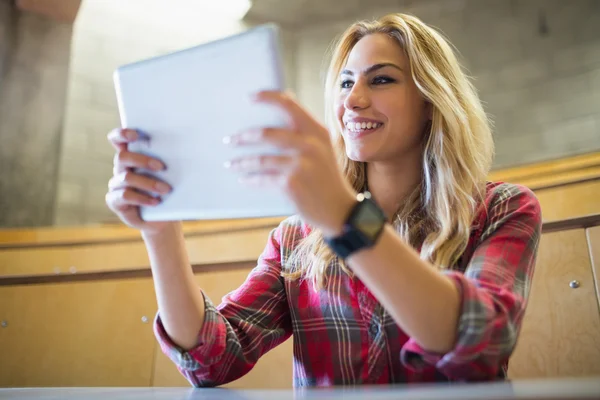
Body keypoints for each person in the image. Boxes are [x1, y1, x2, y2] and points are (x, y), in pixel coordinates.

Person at [105, 13, 542, 387]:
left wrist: (345, 216)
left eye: (382, 79)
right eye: (346, 82)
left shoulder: (502, 209)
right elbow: (214, 357)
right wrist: (160, 230)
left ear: (431, 100)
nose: (353, 99)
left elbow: (482, 339)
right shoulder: (297, 236)